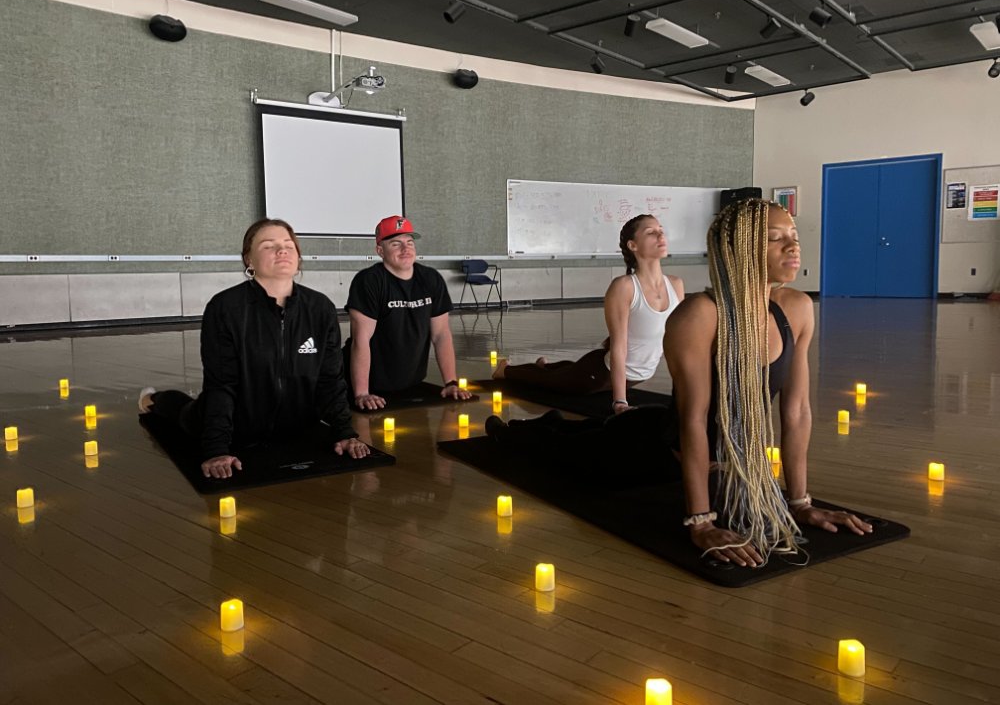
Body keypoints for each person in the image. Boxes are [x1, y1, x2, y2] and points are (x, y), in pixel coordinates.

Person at [663, 199, 872, 568]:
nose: (792, 246)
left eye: (794, 235)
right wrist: (701, 522)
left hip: (738, 461)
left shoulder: (797, 308)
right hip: (664, 455)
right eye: (775, 238)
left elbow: (797, 411)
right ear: (739, 249)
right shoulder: (700, 315)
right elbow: (692, 421)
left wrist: (800, 503)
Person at [139, 218, 368, 479]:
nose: (281, 251)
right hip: (238, 427)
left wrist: (345, 432)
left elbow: (330, 379)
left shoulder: (320, 308)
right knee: (186, 414)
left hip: (296, 426)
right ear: (249, 259)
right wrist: (216, 449)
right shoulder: (225, 308)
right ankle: (155, 399)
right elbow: (221, 384)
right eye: (268, 246)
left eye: (288, 245)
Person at [492, 214, 683, 413]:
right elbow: (618, 347)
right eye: (651, 232)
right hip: (600, 374)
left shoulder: (676, 285)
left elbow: (678, 345)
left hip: (634, 375)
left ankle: (547, 365)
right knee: (550, 382)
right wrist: (620, 402)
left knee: (569, 373)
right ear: (633, 245)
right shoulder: (624, 287)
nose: (661, 236)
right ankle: (505, 370)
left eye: (661, 230)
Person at [344, 215, 473, 410]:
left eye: (410, 242)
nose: (405, 249)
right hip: (369, 385)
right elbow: (360, 340)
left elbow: (441, 335)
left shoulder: (431, 279)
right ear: (380, 251)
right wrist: (362, 393)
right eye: (396, 244)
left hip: (410, 383)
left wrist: (450, 383)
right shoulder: (369, 281)